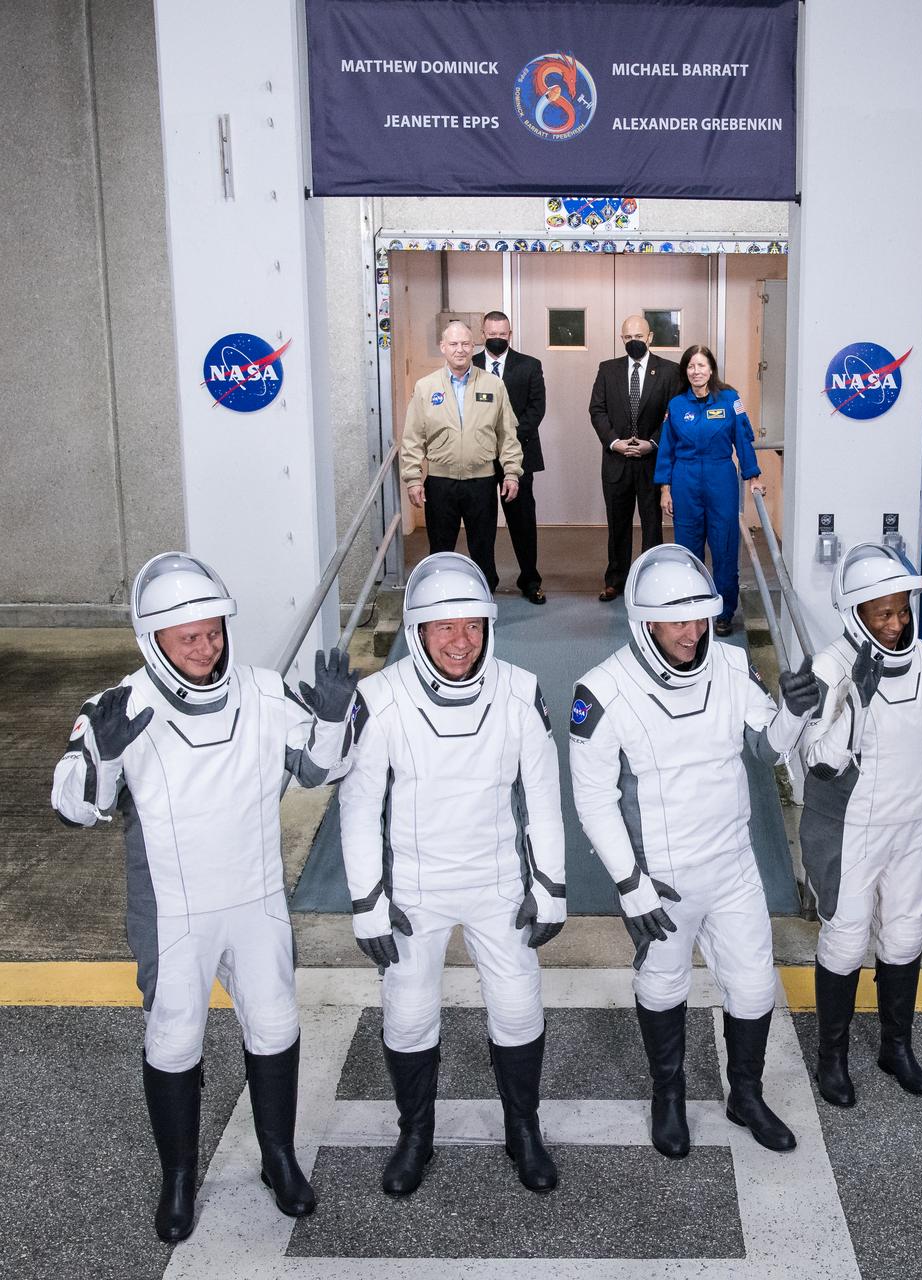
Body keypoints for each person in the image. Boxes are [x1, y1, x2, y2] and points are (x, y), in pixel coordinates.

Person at [51, 553, 356, 1242]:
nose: (205, 646)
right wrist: (101, 758)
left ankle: (278, 1160)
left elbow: (318, 770)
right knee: (174, 1036)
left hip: (256, 900)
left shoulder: (263, 691)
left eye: (214, 631)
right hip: (172, 912)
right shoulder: (118, 707)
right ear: (152, 638)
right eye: (187, 636)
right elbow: (71, 806)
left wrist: (335, 722)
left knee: (275, 1026)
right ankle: (180, 1178)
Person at [568, 544, 819, 1157]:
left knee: (754, 987)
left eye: (700, 618)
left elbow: (764, 748)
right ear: (644, 622)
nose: (692, 633)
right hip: (662, 881)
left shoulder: (731, 664)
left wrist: (792, 714)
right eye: (677, 621)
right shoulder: (600, 691)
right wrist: (630, 885)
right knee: (663, 986)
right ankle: (668, 1096)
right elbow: (594, 801)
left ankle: (746, 1095)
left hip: (733, 865)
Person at [338, 552, 567, 1196]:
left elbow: (543, 798)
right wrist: (368, 903)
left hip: (499, 884)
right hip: (414, 890)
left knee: (518, 1009)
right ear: (418, 630)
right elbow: (359, 809)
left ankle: (523, 1129)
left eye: (473, 625)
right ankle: (416, 1135)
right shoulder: (380, 699)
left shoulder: (520, 691)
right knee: (409, 1016)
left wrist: (550, 887)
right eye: (445, 627)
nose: (462, 641)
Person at [801, 542, 922, 1108]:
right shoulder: (828, 668)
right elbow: (817, 762)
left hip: (912, 828)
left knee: (904, 937)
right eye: (883, 614)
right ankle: (832, 1059)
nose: (896, 625)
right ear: (856, 615)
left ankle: (897, 1047)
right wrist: (855, 702)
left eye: (902, 611)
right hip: (852, 834)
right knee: (845, 942)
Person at [401, 319, 524, 594]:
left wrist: (512, 472)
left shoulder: (493, 385)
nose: (460, 349)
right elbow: (412, 438)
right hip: (440, 483)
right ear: (442, 347)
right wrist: (413, 478)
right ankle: (438, 597)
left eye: (466, 344)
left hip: (481, 482)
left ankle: (484, 598)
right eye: (454, 344)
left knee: (483, 547)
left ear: (473, 346)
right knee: (440, 548)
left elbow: (507, 434)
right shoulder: (425, 387)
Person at [655, 344, 765, 637]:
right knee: (688, 550)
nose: (696, 371)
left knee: (724, 547)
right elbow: (666, 450)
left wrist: (753, 477)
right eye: (691, 366)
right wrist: (665, 490)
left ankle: (724, 612)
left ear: (711, 369)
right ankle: (694, 608)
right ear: (685, 371)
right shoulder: (677, 405)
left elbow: (743, 440)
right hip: (685, 480)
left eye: (701, 365)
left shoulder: (730, 399)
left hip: (720, 480)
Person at [589, 314, 680, 602]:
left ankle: (651, 580)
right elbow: (597, 410)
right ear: (621, 339)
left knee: (652, 525)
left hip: (652, 462)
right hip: (616, 461)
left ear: (650, 337)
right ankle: (616, 580)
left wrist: (652, 443)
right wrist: (614, 442)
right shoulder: (608, 369)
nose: (633, 342)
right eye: (628, 337)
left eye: (639, 337)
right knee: (617, 524)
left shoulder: (669, 371)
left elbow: (673, 416)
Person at [473, 310, 548, 604]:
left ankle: (530, 579)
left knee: (522, 521)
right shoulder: (471, 365)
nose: (497, 338)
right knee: (482, 522)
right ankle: (485, 580)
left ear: (510, 335)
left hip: (520, 454)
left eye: (502, 334)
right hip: (479, 457)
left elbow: (536, 409)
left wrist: (508, 439)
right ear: (483, 334)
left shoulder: (529, 365)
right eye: (492, 334)